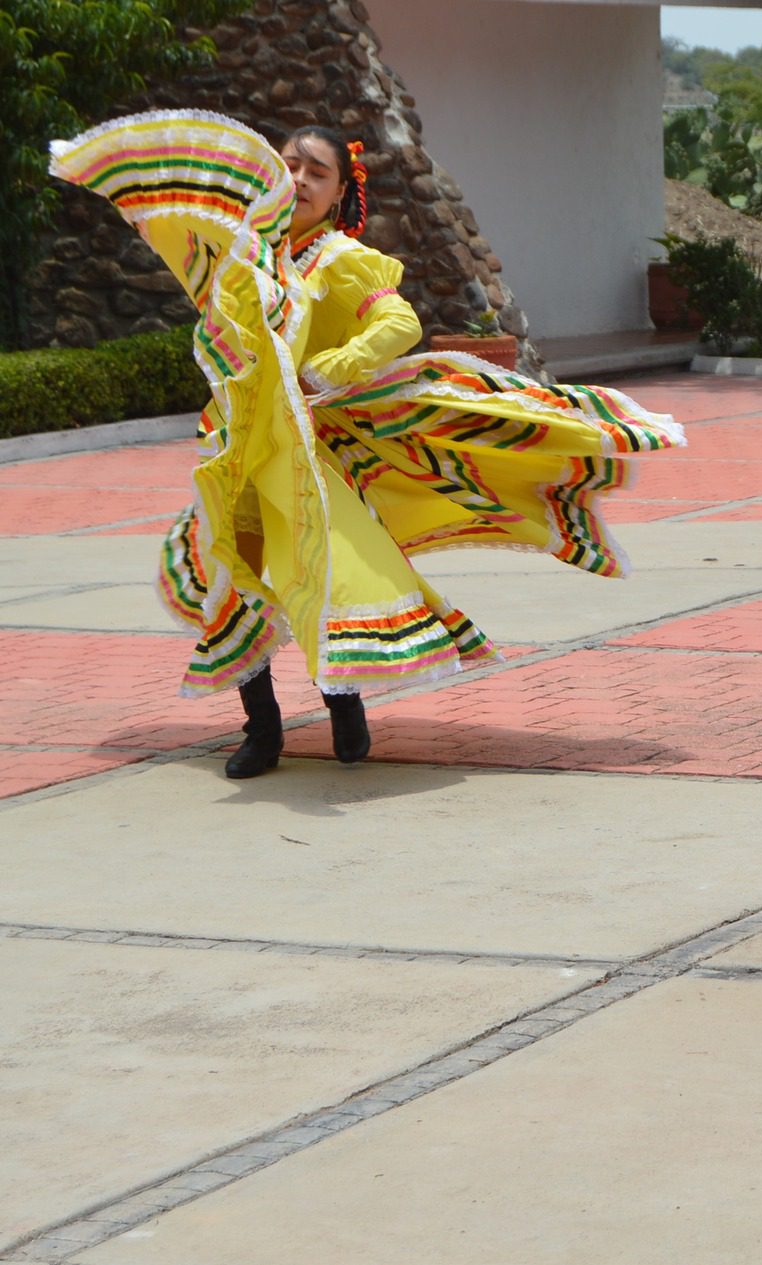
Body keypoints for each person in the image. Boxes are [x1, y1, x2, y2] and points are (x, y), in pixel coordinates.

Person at [51, 111, 686, 777]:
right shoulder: (246, 253)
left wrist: (333, 367)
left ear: (339, 193)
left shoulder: (338, 259)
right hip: (241, 449)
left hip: (308, 450)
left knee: (327, 575)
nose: (297, 178)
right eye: (289, 164)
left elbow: (399, 320)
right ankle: (261, 732)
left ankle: (343, 704)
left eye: (315, 172)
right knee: (233, 578)